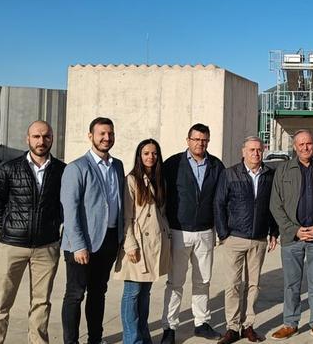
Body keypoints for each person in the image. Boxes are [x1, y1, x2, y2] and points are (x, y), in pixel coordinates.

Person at [0, 120, 66, 344]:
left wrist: (50, 228)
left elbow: (64, 206)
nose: (42, 141)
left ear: (52, 138)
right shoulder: (9, 168)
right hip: (12, 246)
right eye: (37, 136)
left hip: (46, 247)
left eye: (46, 136)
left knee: (41, 303)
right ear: (28, 139)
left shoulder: (62, 170)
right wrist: (12, 228)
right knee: (0, 304)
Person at [268, 129, 313, 342]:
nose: (305, 148)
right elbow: (275, 205)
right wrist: (294, 230)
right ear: (294, 147)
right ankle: (290, 323)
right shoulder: (282, 170)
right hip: (292, 238)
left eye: (308, 143)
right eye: (301, 144)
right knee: (291, 284)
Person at [60, 117, 126, 344]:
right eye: (101, 134)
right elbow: (70, 211)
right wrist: (78, 245)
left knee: (98, 294)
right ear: (91, 136)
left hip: (108, 241)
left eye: (110, 134)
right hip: (81, 245)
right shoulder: (77, 167)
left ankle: (95, 339)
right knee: (75, 295)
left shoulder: (117, 165)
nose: (106, 138)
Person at [161, 123, 225, 343]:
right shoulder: (172, 164)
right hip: (179, 231)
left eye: (204, 140)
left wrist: (220, 229)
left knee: (203, 280)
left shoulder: (216, 165)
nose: (200, 143)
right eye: (196, 139)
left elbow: (220, 200)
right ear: (187, 140)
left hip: (206, 231)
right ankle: (169, 327)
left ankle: (202, 322)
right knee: (175, 282)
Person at [215, 136, 280, 344]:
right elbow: (219, 204)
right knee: (233, 285)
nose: (255, 153)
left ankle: (248, 326)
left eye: (259, 150)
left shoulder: (270, 175)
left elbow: (273, 206)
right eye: (251, 150)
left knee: (254, 285)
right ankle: (232, 327)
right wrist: (224, 234)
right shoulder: (230, 174)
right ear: (243, 152)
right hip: (235, 237)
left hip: (259, 238)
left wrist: (274, 232)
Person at [113, 138, 171, 344]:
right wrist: (130, 244)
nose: (150, 157)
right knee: (132, 293)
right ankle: (132, 339)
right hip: (137, 244)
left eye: (154, 153)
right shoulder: (132, 180)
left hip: (154, 244)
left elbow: (161, 214)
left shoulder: (159, 179)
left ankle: (144, 336)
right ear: (139, 156)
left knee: (145, 293)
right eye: (146, 153)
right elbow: (127, 216)